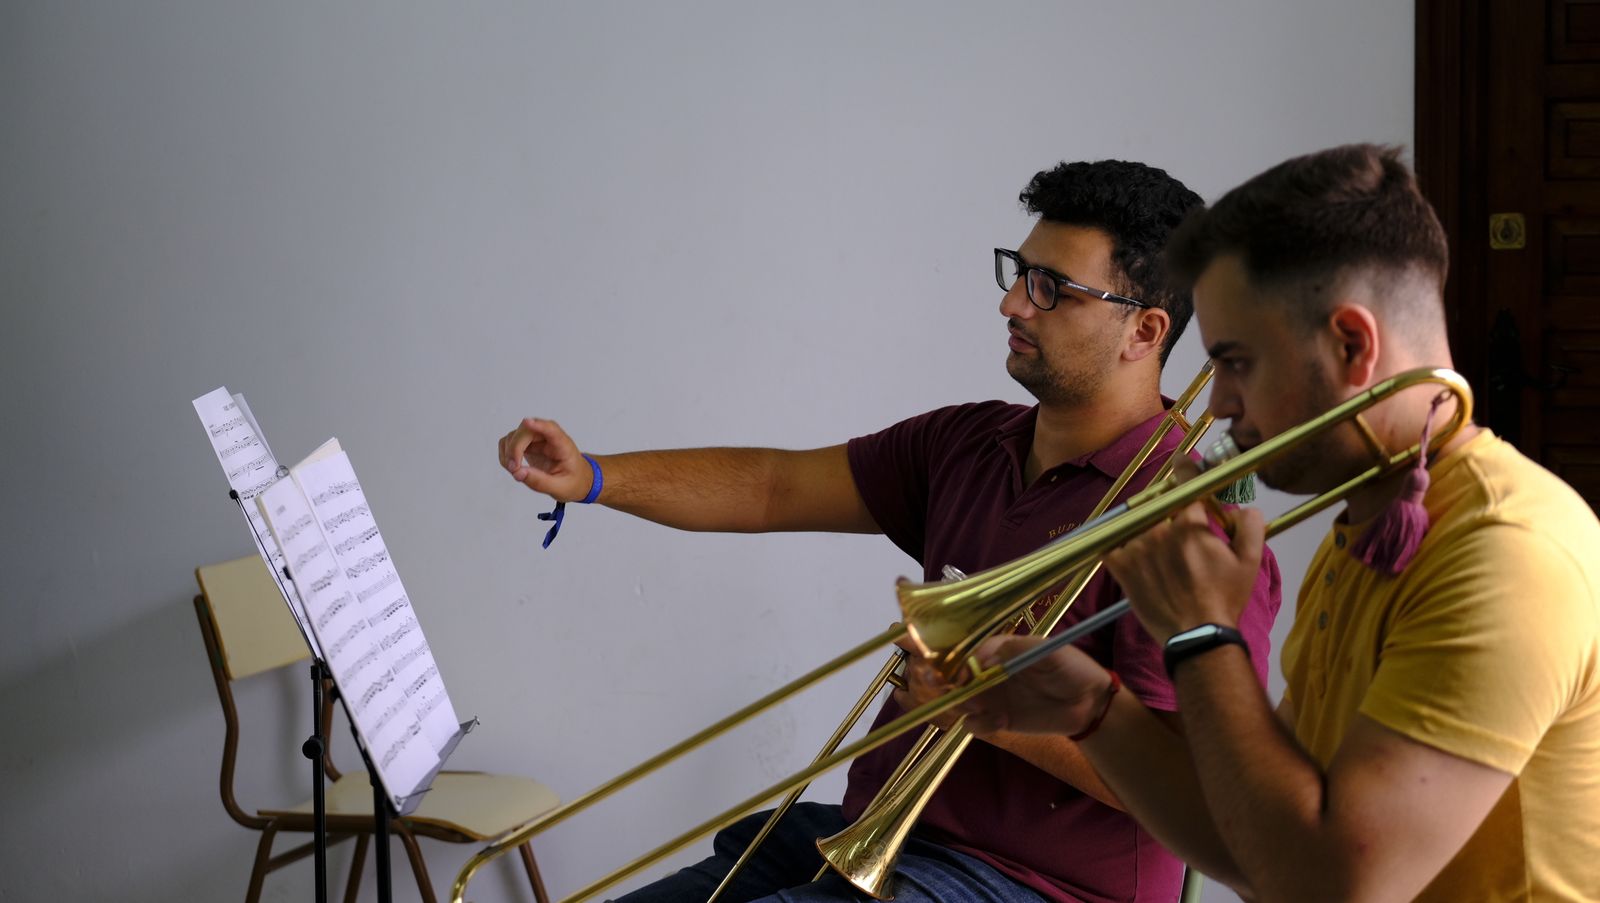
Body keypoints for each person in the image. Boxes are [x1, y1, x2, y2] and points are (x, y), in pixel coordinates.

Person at [499, 160, 1282, 903]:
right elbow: (775, 487)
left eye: (1052, 289)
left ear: (1143, 332)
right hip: (880, 837)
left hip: (1036, 886)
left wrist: (985, 707)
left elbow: (1198, 785)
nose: (1013, 304)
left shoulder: (1191, 516)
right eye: (1019, 272)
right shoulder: (970, 443)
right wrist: (594, 475)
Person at [938, 144, 1600, 902]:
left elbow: (1336, 886)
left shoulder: (1509, 553)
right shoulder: (1368, 525)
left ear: (1352, 345)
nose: (1216, 404)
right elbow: (1258, 843)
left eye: (1236, 362)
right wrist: (1094, 709)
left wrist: (1201, 633)